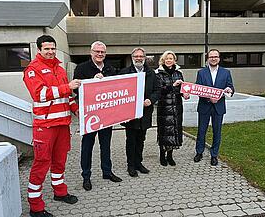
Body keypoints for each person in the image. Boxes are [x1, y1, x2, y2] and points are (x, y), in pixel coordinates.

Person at [23, 35, 81, 217]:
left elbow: (68, 96)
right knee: (41, 163)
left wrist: (77, 110)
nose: (50, 51)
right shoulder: (32, 69)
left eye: (53, 48)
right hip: (45, 126)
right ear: (39, 49)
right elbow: (39, 94)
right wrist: (67, 87)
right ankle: (35, 206)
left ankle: (60, 192)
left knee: (59, 161)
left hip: (63, 125)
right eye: (46, 48)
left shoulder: (60, 68)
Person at [73, 41, 122, 191]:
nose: (100, 54)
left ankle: (107, 172)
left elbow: (116, 88)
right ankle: (86, 176)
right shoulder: (81, 68)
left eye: (102, 52)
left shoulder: (110, 68)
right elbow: (76, 90)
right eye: (97, 51)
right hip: (90, 115)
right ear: (91, 52)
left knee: (106, 145)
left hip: (106, 114)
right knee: (87, 146)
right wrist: (92, 82)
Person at [119, 47, 160, 177]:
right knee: (131, 140)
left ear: (144, 58)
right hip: (130, 114)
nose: (138, 58)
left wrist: (151, 100)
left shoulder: (151, 73)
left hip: (145, 112)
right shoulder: (125, 72)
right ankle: (130, 165)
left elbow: (157, 90)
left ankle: (139, 163)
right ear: (132, 58)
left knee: (141, 140)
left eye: (141, 56)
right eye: (136, 56)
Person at [193, 49, 235, 166]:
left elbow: (230, 87)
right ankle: (199, 152)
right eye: (211, 56)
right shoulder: (201, 72)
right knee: (201, 131)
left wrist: (229, 90)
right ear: (207, 58)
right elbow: (198, 89)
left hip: (218, 107)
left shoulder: (226, 72)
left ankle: (214, 155)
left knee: (217, 131)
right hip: (205, 106)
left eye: (215, 56)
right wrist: (208, 98)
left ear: (219, 58)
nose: (213, 58)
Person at [155, 50, 190, 167]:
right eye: (167, 58)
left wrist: (185, 94)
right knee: (164, 132)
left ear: (174, 60)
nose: (169, 60)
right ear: (163, 60)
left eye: (171, 58)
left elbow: (182, 89)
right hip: (164, 108)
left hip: (176, 107)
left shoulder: (178, 73)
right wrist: (172, 86)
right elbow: (159, 91)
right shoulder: (158, 73)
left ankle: (170, 156)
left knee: (174, 132)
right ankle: (162, 155)